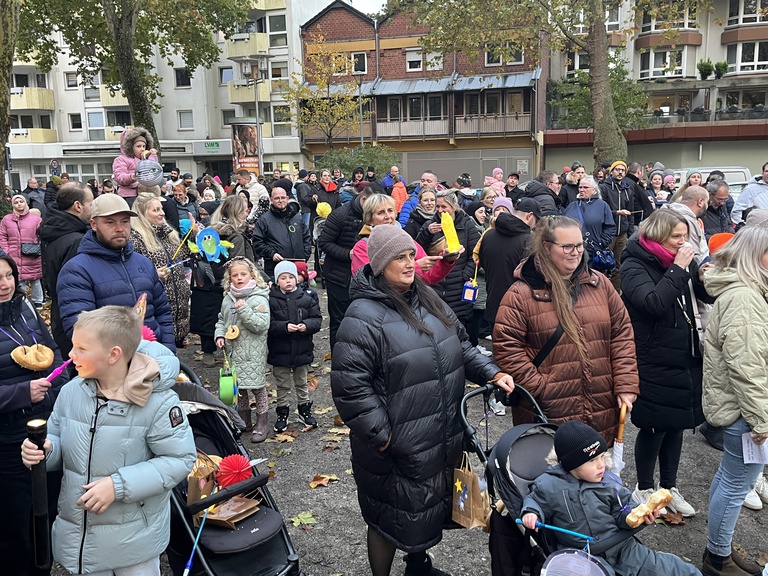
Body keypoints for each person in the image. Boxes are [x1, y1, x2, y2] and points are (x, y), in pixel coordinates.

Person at [331, 224, 515, 576]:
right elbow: (350, 388)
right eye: (399, 258)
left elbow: (459, 344)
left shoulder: (428, 297)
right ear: (380, 264)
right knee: (387, 515)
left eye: (410, 255)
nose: (409, 263)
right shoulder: (362, 317)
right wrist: (384, 436)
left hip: (439, 432)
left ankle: (418, 566)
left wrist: (491, 372)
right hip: (395, 445)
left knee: (425, 509)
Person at [20, 306, 196, 575]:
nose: (70, 354)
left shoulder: (158, 402)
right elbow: (57, 440)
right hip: (81, 535)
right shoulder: (70, 393)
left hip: (134, 542)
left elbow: (179, 459)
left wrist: (118, 485)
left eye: (81, 348)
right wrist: (46, 450)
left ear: (114, 354)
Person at [493, 215, 639, 442]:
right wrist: (542, 388)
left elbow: (622, 336)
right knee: (551, 473)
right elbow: (506, 348)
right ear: (546, 247)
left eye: (580, 245)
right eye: (567, 246)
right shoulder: (521, 294)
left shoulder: (600, 284)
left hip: (600, 404)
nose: (576, 252)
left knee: (594, 470)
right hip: (548, 411)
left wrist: (625, 384)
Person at [620, 209, 713, 518]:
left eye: (685, 236)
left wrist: (700, 276)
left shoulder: (681, 261)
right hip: (653, 357)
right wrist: (678, 268)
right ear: (658, 235)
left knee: (678, 424)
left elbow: (704, 297)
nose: (682, 242)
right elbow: (653, 304)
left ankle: (668, 488)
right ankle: (644, 487)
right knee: (655, 425)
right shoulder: (634, 263)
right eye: (676, 236)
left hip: (683, 354)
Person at [521, 420, 701, 576]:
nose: (601, 465)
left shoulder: (609, 483)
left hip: (622, 546)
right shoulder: (550, 485)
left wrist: (636, 517)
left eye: (602, 457)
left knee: (669, 568)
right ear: (571, 465)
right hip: (582, 555)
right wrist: (532, 513)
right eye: (592, 461)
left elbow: (623, 511)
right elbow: (535, 500)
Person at [696, 227, 768, 576]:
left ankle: (718, 546)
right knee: (738, 482)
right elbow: (747, 367)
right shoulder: (745, 298)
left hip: (742, 407)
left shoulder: (748, 291)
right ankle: (718, 559)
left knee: (731, 478)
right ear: (756, 255)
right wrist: (762, 420)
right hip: (744, 410)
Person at [0, 253, 67, 576]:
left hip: (45, 430)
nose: (4, 284)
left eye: (9, 276)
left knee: (48, 512)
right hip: (7, 440)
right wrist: (21, 394)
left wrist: (57, 386)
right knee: (15, 525)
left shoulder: (25, 309)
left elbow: (51, 350)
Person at [56, 194, 176, 351]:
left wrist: (167, 352)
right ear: (93, 224)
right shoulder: (77, 270)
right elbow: (80, 329)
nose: (119, 229)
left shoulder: (143, 263)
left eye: (125, 221)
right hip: (110, 365)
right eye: (110, 222)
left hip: (153, 358)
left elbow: (163, 314)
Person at [190, 195, 254, 367]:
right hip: (228, 281)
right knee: (230, 315)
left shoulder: (210, 231)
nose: (246, 212)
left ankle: (208, 351)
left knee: (209, 316)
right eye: (244, 208)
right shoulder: (236, 235)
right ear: (237, 212)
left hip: (207, 280)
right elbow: (240, 261)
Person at [214, 257, 270, 442]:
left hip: (251, 352)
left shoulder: (258, 297)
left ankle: (262, 421)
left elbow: (261, 325)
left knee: (257, 387)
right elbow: (222, 319)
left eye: (243, 274)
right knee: (239, 388)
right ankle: (244, 419)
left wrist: (244, 309)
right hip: (232, 352)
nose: (239, 278)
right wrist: (220, 335)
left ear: (252, 275)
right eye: (235, 275)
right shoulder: (227, 297)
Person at [129, 194, 192, 349]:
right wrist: (153, 276)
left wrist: (194, 234)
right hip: (155, 312)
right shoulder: (135, 239)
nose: (162, 213)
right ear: (142, 215)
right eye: (156, 210)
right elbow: (131, 274)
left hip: (175, 315)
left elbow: (183, 255)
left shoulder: (168, 234)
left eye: (161, 209)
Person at [268, 260, 322, 435]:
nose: (288, 281)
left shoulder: (307, 297)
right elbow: (268, 324)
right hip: (280, 350)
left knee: (301, 382)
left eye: (291, 277)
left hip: (302, 348)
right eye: (283, 278)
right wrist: (284, 327)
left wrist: (306, 325)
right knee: (282, 384)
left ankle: (304, 410)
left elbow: (317, 319)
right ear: (277, 281)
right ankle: (282, 413)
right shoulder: (270, 299)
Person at [39, 182, 94, 356]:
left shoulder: (52, 229)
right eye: (91, 203)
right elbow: (77, 285)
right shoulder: (77, 240)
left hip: (59, 313)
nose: (93, 208)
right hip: (75, 318)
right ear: (78, 206)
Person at [351, 194, 455, 284]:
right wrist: (415, 266)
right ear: (370, 219)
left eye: (390, 211)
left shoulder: (405, 239)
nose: (388, 216)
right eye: (381, 213)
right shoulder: (363, 247)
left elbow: (429, 277)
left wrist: (446, 260)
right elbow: (367, 281)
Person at [318, 186, 374, 350]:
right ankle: (338, 358)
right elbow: (324, 243)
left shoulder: (376, 217)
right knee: (340, 320)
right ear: (364, 199)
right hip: (339, 277)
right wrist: (348, 254)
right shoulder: (340, 215)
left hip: (366, 277)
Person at [415, 189, 480, 328]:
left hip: (458, 287)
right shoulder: (430, 225)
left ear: (454, 207)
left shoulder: (467, 225)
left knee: (459, 327)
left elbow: (475, 255)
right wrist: (427, 233)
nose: (439, 210)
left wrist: (464, 276)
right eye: (437, 206)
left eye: (444, 206)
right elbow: (417, 250)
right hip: (435, 286)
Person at [480, 197, 540, 327]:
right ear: (529, 216)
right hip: (520, 309)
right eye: (537, 219)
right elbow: (533, 276)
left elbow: (483, 263)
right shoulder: (529, 240)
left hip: (493, 305)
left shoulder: (488, 235)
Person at [251, 186, 311, 280]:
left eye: (283, 198)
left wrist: (305, 255)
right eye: (277, 198)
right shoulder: (264, 220)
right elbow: (257, 242)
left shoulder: (297, 218)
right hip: (275, 268)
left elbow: (306, 237)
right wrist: (271, 254)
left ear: (287, 198)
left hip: (298, 267)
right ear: (271, 200)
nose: (280, 200)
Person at [0, 195, 44, 308]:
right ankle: (21, 300)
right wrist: (7, 251)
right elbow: (2, 236)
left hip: (32, 254)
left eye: (21, 201)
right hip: (14, 254)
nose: (19, 204)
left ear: (26, 203)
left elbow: (42, 235)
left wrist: (37, 247)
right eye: (16, 202)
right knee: (19, 279)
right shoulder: (7, 219)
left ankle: (38, 300)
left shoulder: (36, 219)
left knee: (35, 279)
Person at [599, 161, 635, 290]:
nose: (620, 172)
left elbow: (630, 214)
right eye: (617, 169)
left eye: (623, 170)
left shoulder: (628, 190)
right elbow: (601, 209)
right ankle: (600, 291)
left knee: (619, 265)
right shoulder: (604, 187)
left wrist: (630, 233)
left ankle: (615, 293)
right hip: (608, 233)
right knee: (603, 263)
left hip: (622, 233)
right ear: (611, 171)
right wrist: (617, 213)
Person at [563, 175, 616, 262]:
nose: (581, 190)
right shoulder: (572, 206)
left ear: (593, 190)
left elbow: (610, 227)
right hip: (572, 250)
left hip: (593, 251)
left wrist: (601, 242)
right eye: (580, 187)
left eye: (585, 187)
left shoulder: (602, 205)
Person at [111, 126, 158, 205]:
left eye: (144, 146)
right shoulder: (121, 159)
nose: (142, 149)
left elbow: (154, 170)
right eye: (138, 146)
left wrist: (153, 156)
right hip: (129, 195)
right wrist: (131, 177)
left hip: (146, 194)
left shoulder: (145, 159)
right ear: (130, 147)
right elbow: (119, 176)